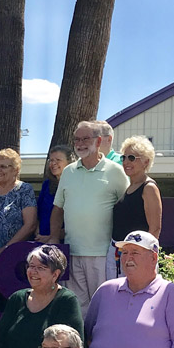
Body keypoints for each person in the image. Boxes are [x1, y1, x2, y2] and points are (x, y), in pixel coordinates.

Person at [47, 121, 130, 312]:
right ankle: (82, 342)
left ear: (99, 140)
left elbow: (126, 208)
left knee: (104, 307)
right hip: (72, 252)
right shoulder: (68, 171)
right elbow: (58, 208)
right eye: (77, 139)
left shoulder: (116, 171)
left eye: (85, 138)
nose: (80, 143)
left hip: (103, 254)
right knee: (78, 308)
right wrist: (53, 237)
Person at [107, 136, 162, 280]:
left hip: (137, 256)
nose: (126, 162)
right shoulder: (129, 187)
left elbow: (155, 228)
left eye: (132, 158)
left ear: (146, 162)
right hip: (118, 253)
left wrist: (143, 256)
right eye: (123, 157)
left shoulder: (149, 187)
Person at [35, 145, 75, 243]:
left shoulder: (75, 185)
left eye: (58, 160)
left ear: (69, 162)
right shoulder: (47, 184)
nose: (53, 163)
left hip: (65, 242)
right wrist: (38, 233)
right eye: (51, 160)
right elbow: (38, 212)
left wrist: (52, 237)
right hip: (41, 240)